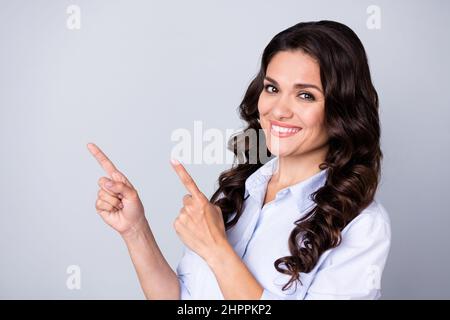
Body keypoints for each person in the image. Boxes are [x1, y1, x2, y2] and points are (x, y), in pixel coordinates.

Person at [87, 20, 391, 300]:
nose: (279, 110)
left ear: (342, 110)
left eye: (305, 95)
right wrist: (135, 230)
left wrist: (217, 249)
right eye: (272, 88)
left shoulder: (363, 226)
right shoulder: (240, 189)